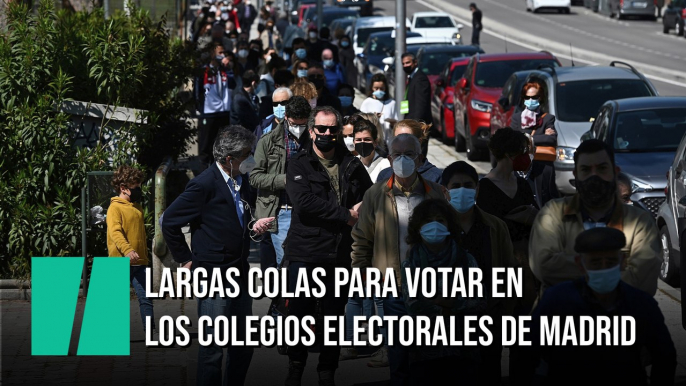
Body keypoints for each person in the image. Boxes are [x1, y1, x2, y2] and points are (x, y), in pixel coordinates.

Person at [284, 106, 373, 386]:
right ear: (311, 131)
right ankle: (296, 367)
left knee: (333, 318)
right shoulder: (298, 163)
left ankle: (327, 372)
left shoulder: (352, 164)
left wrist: (363, 206)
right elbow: (304, 203)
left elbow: (370, 196)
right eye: (321, 129)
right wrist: (346, 214)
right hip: (305, 253)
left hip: (339, 254)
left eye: (332, 129)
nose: (326, 134)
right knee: (299, 315)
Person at [162, 126, 257, 386]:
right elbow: (169, 221)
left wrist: (255, 226)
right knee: (213, 347)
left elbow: (237, 219)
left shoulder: (241, 180)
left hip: (239, 273)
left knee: (244, 344)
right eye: (247, 154)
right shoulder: (203, 184)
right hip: (213, 275)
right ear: (229, 159)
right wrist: (186, 259)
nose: (251, 159)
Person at [351, 134, 448, 384]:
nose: (403, 160)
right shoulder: (375, 195)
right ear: (390, 158)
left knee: (429, 352)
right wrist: (362, 273)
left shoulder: (435, 193)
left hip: (429, 286)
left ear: (420, 158)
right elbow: (362, 239)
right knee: (399, 354)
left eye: (409, 154)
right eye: (397, 154)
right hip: (392, 287)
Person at [527, 227, 676, 386]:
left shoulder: (640, 304)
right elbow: (529, 352)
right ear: (580, 264)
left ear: (623, 261)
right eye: (596, 262)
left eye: (611, 262)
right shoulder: (557, 300)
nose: (604, 268)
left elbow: (665, 356)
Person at [529, 139, 661, 296]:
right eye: (585, 170)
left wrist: (574, 273)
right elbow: (544, 267)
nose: (594, 176)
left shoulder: (640, 222)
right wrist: (613, 272)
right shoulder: (552, 213)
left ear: (615, 171)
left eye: (602, 168)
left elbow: (643, 281)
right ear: (576, 174)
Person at [441, 161, 516, 385]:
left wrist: (505, 316)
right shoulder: (435, 227)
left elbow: (508, 272)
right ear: (445, 191)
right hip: (447, 323)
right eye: (455, 186)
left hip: (488, 321)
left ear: (477, 189)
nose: (462, 190)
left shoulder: (495, 226)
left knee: (488, 373)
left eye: (468, 185)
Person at [401, 199, 485, 385]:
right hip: (424, 350)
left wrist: (441, 301)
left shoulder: (466, 259)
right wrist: (453, 304)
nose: (434, 225)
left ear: (449, 225)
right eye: (428, 221)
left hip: (464, 347)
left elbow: (478, 300)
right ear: (418, 227)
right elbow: (414, 306)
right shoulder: (411, 263)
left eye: (440, 220)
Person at [250, 96, 311, 272]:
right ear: (286, 118)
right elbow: (254, 177)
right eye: (294, 124)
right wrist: (284, 180)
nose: (298, 129)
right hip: (282, 210)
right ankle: (285, 299)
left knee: (307, 265)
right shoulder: (268, 141)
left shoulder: (314, 140)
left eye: (303, 124)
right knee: (286, 263)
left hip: (309, 211)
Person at [107, 165, 156, 338]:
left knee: (146, 299)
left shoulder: (137, 208)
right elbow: (115, 232)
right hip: (120, 261)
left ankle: (150, 333)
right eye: (135, 188)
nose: (139, 191)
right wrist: (127, 250)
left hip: (140, 261)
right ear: (123, 188)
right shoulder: (115, 208)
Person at [510, 81, 559, 208]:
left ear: (540, 98)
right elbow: (515, 141)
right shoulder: (516, 118)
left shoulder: (547, 118)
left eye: (534, 97)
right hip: (522, 167)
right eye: (528, 97)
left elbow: (552, 140)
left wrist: (527, 137)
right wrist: (540, 136)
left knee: (543, 200)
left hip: (542, 165)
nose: (531, 100)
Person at [196, 42, 236, 169]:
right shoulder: (204, 71)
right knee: (205, 144)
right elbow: (197, 91)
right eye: (220, 52)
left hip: (223, 112)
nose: (223, 55)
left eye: (223, 53)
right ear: (212, 54)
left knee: (221, 145)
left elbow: (233, 84)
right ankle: (203, 172)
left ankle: (218, 170)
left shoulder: (225, 71)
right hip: (209, 112)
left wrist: (229, 68)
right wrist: (200, 108)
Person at [376, 120, 442, 184]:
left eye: (408, 138)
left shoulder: (435, 176)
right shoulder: (385, 175)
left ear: (419, 141)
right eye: (398, 138)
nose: (402, 142)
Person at [354, 116, 391, 194]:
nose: (362, 143)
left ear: (375, 142)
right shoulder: (351, 164)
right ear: (354, 142)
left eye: (367, 139)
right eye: (358, 140)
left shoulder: (386, 164)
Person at [360, 73, 399, 141]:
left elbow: (396, 123)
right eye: (376, 88)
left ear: (385, 88)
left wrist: (392, 124)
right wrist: (373, 118)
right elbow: (361, 123)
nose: (379, 91)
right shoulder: (367, 102)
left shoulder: (392, 103)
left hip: (388, 140)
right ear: (372, 88)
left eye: (381, 88)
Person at [401, 53, 432, 126]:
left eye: (408, 62)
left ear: (415, 62)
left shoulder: (420, 79)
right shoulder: (411, 77)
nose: (405, 65)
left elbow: (421, 105)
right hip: (410, 121)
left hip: (418, 125)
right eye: (403, 63)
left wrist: (416, 124)